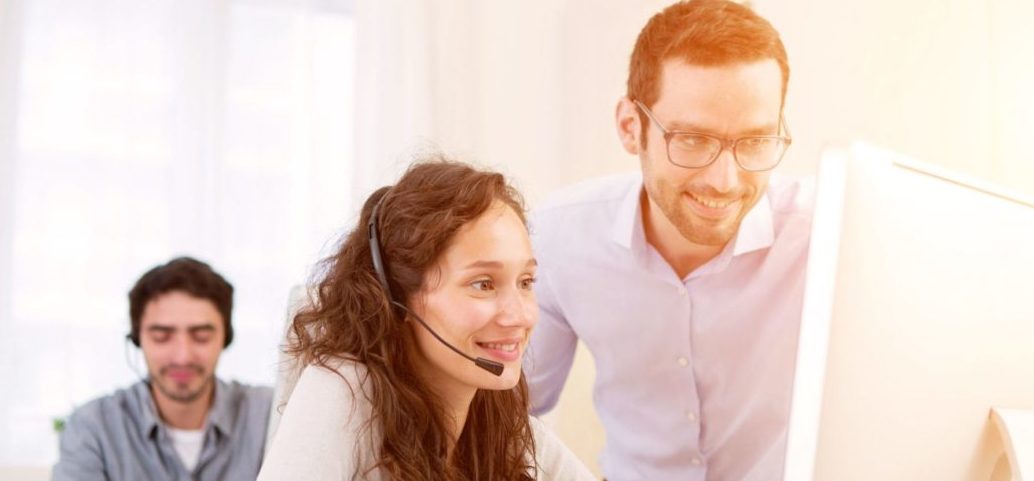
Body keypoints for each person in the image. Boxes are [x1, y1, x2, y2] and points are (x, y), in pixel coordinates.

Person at [523, 1, 813, 480]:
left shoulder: (829, 236)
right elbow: (502, 412)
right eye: (693, 140)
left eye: (755, 141)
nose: (725, 181)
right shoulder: (559, 237)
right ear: (630, 127)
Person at [257, 159, 594, 481]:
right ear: (397, 296)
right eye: (483, 284)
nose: (521, 315)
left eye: (525, 282)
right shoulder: (342, 391)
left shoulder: (499, 420)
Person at [52, 256, 274, 481]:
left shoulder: (270, 413)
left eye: (201, 337)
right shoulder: (93, 427)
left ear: (225, 338)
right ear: (138, 339)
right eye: (161, 337)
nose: (182, 356)